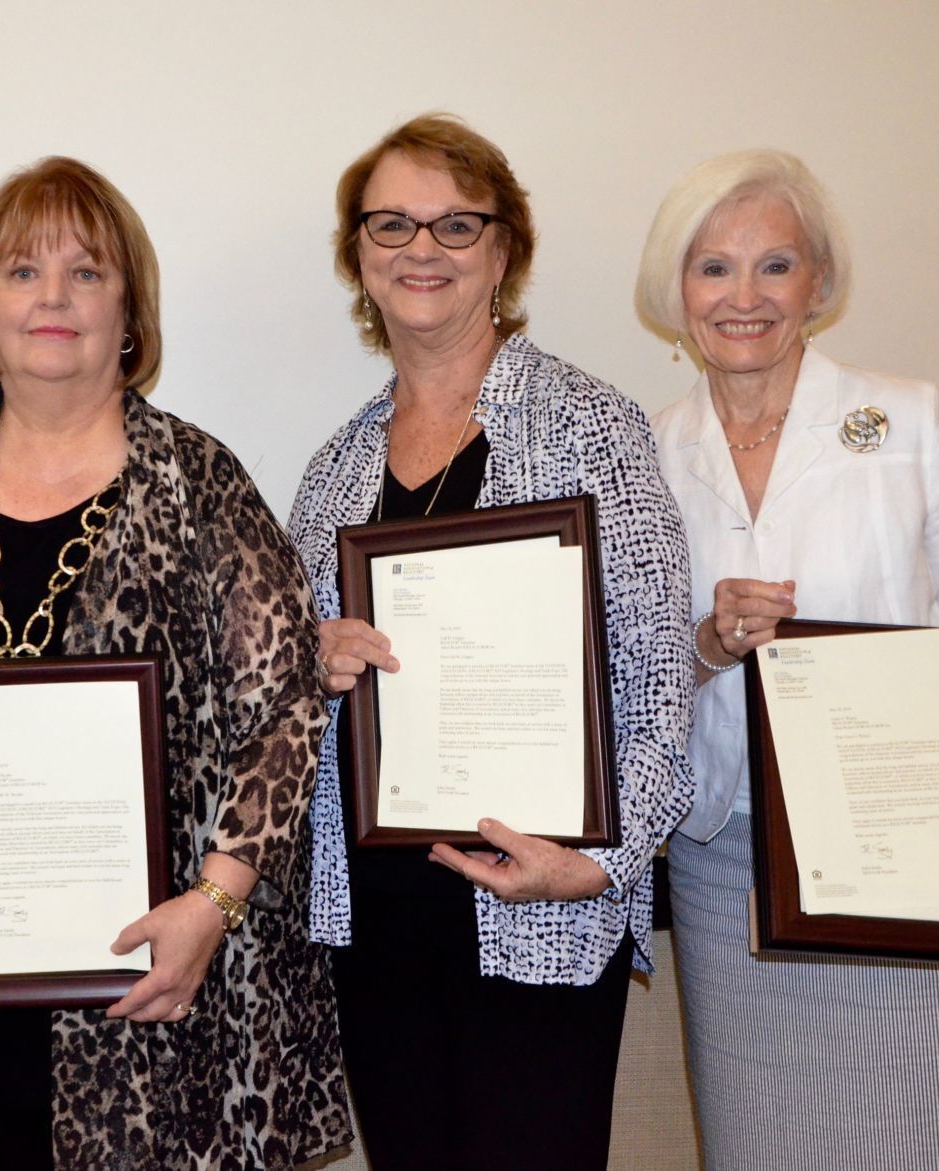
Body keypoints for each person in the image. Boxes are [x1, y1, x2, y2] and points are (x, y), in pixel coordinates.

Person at [0, 156, 350, 1171]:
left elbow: (284, 711)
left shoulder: (197, 479)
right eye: (21, 272)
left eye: (85, 273)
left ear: (128, 310)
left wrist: (213, 905)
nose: (52, 297)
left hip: (151, 973)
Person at [637, 147, 939, 1169]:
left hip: (914, 853)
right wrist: (708, 642)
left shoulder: (905, 420)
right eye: (712, 267)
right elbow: (633, 671)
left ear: (818, 280)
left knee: (932, 1134)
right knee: (763, 1143)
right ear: (674, 289)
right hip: (732, 870)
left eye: (774, 265)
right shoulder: (649, 449)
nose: (742, 296)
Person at [286, 114, 695, 1169]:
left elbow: (656, 680)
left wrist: (593, 869)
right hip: (376, 920)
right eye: (390, 226)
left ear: (503, 251)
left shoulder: (590, 425)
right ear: (357, 258)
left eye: (454, 225)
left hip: (536, 904)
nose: (420, 249)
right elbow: (280, 712)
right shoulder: (330, 470)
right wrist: (312, 668)